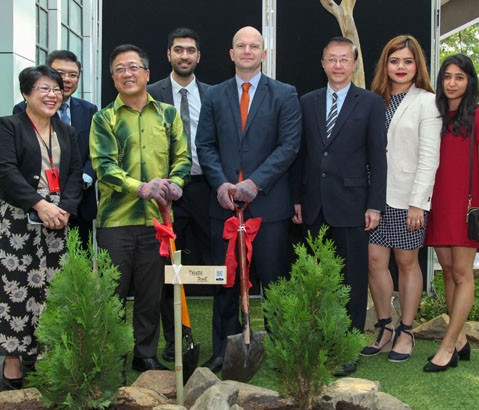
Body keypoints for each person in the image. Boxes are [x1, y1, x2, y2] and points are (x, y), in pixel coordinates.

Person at [195, 26, 302, 373]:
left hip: (267, 206)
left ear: (264, 54)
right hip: (224, 205)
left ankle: (281, 352)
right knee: (225, 283)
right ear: (230, 53)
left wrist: (256, 183)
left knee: (274, 281)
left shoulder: (285, 94)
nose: (247, 50)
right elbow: (205, 145)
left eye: (254, 45)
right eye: (240, 45)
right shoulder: (213, 95)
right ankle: (222, 353)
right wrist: (221, 184)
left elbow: (289, 146)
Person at [0, 65, 82, 390]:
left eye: (56, 89)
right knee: (15, 292)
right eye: (43, 89)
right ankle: (11, 359)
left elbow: (75, 173)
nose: (52, 95)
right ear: (26, 94)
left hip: (55, 226)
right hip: (17, 226)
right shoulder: (9, 126)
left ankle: (44, 353)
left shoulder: (66, 131)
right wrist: (40, 204)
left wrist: (64, 209)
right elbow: (6, 172)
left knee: (51, 292)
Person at [90, 44, 191, 372]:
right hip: (116, 221)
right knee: (112, 294)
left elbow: (182, 158)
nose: (127, 73)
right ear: (113, 78)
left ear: (147, 74)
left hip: (157, 223)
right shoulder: (104, 118)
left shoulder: (168, 114)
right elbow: (104, 167)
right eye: (120, 69)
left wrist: (175, 182)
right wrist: (142, 188)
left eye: (133, 67)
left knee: (150, 293)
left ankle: (144, 354)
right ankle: (110, 357)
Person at [290, 36, 387, 376]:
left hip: (353, 204)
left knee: (353, 278)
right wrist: (297, 199)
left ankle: (347, 346)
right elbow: (300, 155)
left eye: (344, 59)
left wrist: (375, 205)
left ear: (355, 63)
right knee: (318, 277)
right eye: (332, 59)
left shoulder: (371, 103)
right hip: (314, 205)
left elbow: (378, 156)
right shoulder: (307, 101)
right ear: (322, 63)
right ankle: (321, 338)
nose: (338, 65)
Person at [361, 35, 441, 363]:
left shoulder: (426, 101)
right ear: (386, 65)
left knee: (407, 263)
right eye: (395, 61)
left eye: (407, 61)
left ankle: (407, 330)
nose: (401, 67)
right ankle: (385, 327)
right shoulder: (371, 99)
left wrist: (418, 201)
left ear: (417, 65)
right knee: (375, 263)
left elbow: (429, 156)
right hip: (372, 196)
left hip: (407, 198)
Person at [423, 53, 479, 372]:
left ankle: (448, 345)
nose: (452, 83)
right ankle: (462, 338)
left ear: (470, 82)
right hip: (437, 202)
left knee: (463, 274)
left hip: (467, 204)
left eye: (459, 77)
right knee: (448, 272)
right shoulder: (434, 114)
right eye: (447, 77)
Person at [147, 27, 211, 362]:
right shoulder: (150, 94)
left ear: (198, 56)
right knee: (167, 268)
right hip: (166, 196)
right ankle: (177, 338)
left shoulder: (214, 94)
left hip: (208, 190)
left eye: (190, 50)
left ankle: (224, 337)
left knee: (220, 265)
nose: (184, 55)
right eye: (178, 50)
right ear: (168, 54)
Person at [14, 50, 99, 247]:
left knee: (79, 264)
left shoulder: (90, 110)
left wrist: (81, 180)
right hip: (40, 204)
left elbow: (95, 151)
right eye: (60, 73)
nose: (66, 80)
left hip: (79, 202)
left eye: (73, 74)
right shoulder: (22, 111)